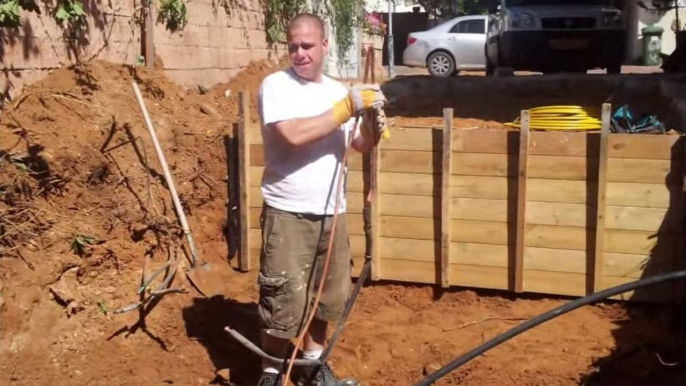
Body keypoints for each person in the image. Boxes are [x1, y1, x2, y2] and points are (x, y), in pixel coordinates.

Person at [255, 11, 387, 386]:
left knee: (326, 297)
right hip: (288, 213)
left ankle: (312, 365)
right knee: (284, 299)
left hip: (333, 212)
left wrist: (370, 122)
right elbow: (294, 135)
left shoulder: (334, 89)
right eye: (293, 46)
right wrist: (348, 107)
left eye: (307, 45)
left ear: (325, 45)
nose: (299, 53)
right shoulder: (276, 86)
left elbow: (358, 145)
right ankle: (270, 371)